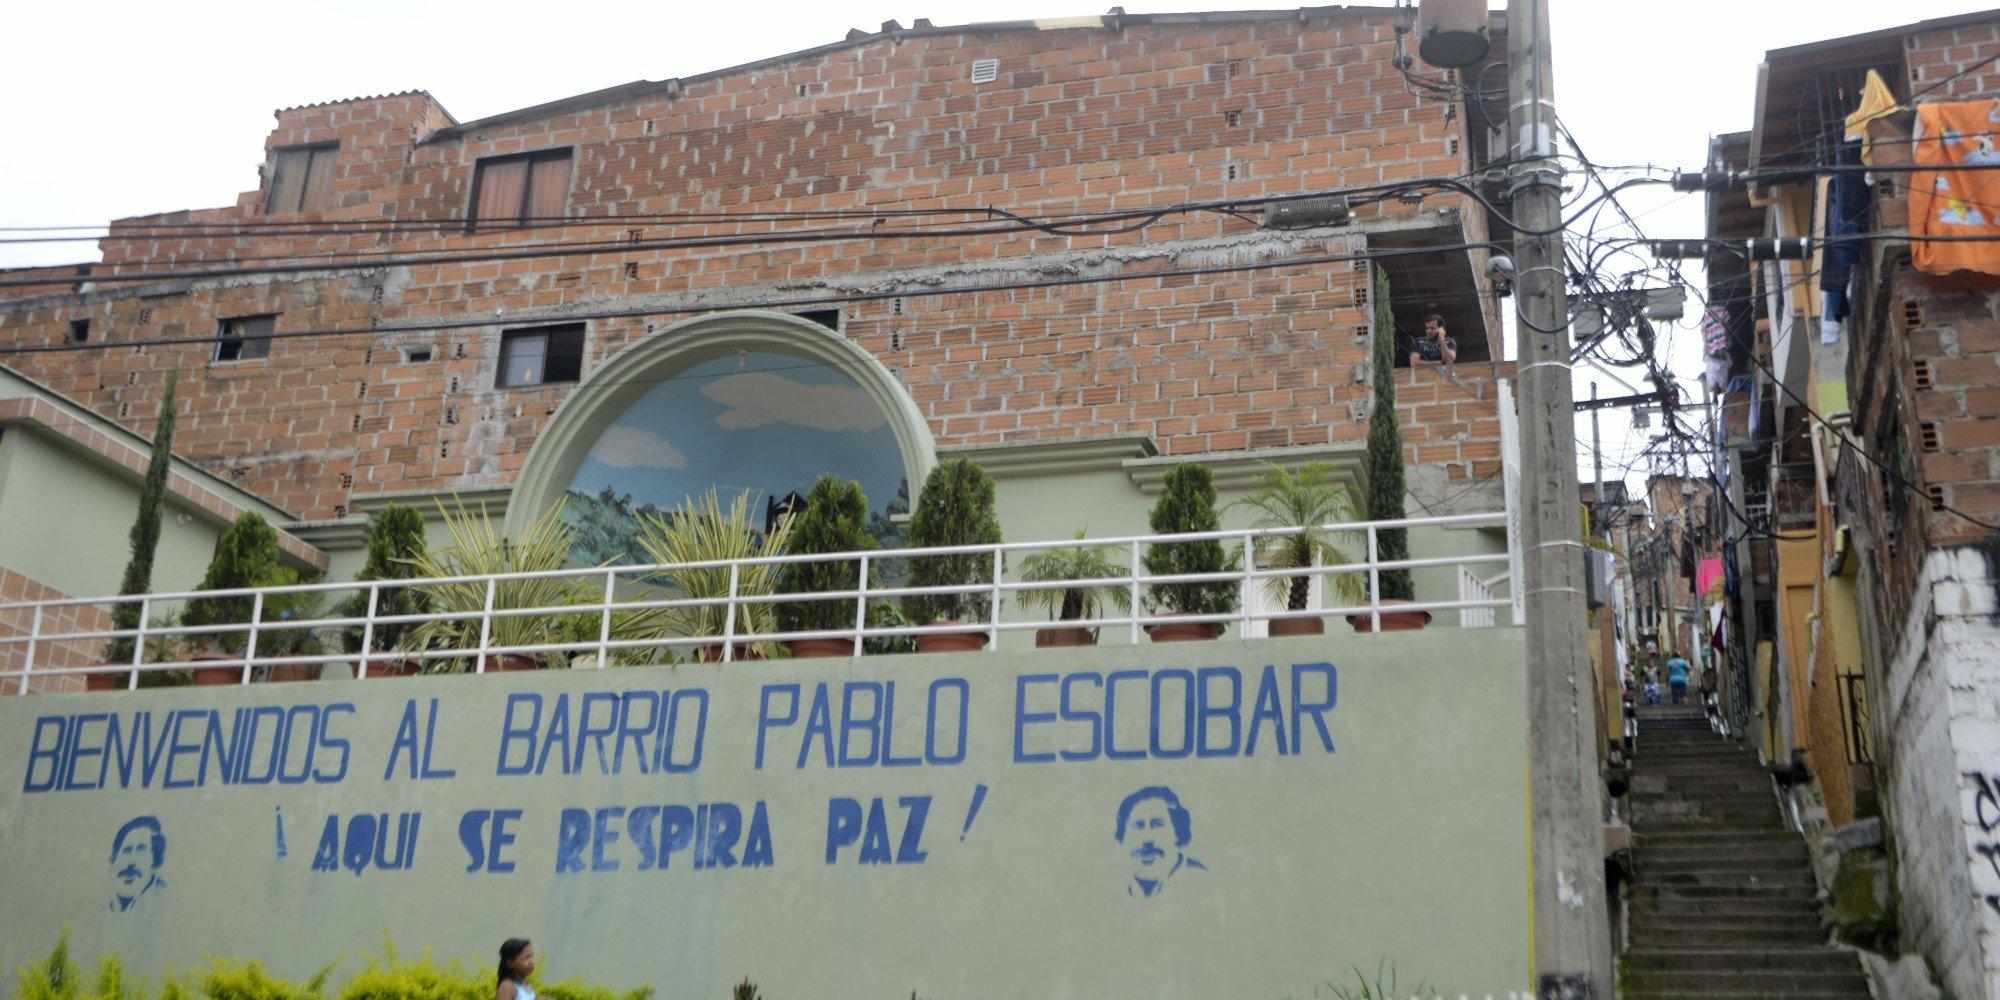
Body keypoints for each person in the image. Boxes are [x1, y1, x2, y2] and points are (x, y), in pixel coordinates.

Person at [1116, 786, 1206, 898]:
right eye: (1138, 826)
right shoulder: (1115, 887)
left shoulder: (1202, 884)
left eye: (1157, 825)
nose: (1147, 838)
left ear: (1177, 832)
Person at [109, 815, 166, 912]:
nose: (131, 861)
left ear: (155, 859)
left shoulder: (164, 902)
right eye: (126, 851)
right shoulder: (103, 904)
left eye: (141, 850)